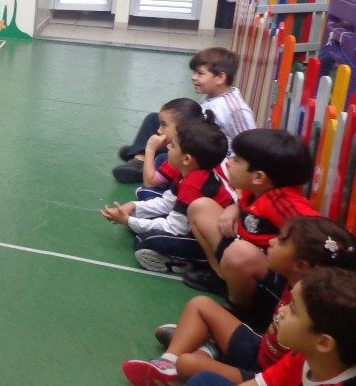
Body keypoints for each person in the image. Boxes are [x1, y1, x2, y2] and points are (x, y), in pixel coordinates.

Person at [122, 217, 356, 386]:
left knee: (189, 363)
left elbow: (285, 379)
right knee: (200, 304)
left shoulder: (316, 314)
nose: (272, 241)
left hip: (263, 377)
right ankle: (169, 362)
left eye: (282, 241)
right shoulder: (293, 284)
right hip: (259, 350)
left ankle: (187, 365)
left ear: (301, 265)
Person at [160, 267, 356, 386]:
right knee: (203, 383)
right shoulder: (306, 354)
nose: (282, 310)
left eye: (294, 310)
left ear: (324, 343)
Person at [185, 129, 318, 323]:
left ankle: (241, 310)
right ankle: (223, 278)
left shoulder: (283, 202)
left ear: (258, 177)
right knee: (200, 207)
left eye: (237, 160)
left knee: (239, 253)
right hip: (241, 255)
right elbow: (245, 206)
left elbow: (317, 234)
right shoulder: (253, 190)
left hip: (269, 276)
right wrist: (234, 209)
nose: (229, 163)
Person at [101, 116, 234, 273]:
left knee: (145, 240)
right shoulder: (188, 172)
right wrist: (133, 207)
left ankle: (191, 262)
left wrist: (128, 221)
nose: (168, 147)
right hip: (187, 224)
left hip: (215, 244)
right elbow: (167, 203)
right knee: (144, 210)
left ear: (186, 159)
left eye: (173, 145)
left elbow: (174, 228)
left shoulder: (194, 183)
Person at [113, 47, 254, 184]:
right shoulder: (213, 96)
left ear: (220, 78)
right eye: (194, 73)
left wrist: (232, 169)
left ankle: (143, 159)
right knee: (154, 119)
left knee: (164, 154)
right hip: (194, 142)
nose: (193, 78)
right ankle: (140, 156)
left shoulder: (235, 110)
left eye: (200, 73)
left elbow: (248, 146)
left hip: (207, 156)